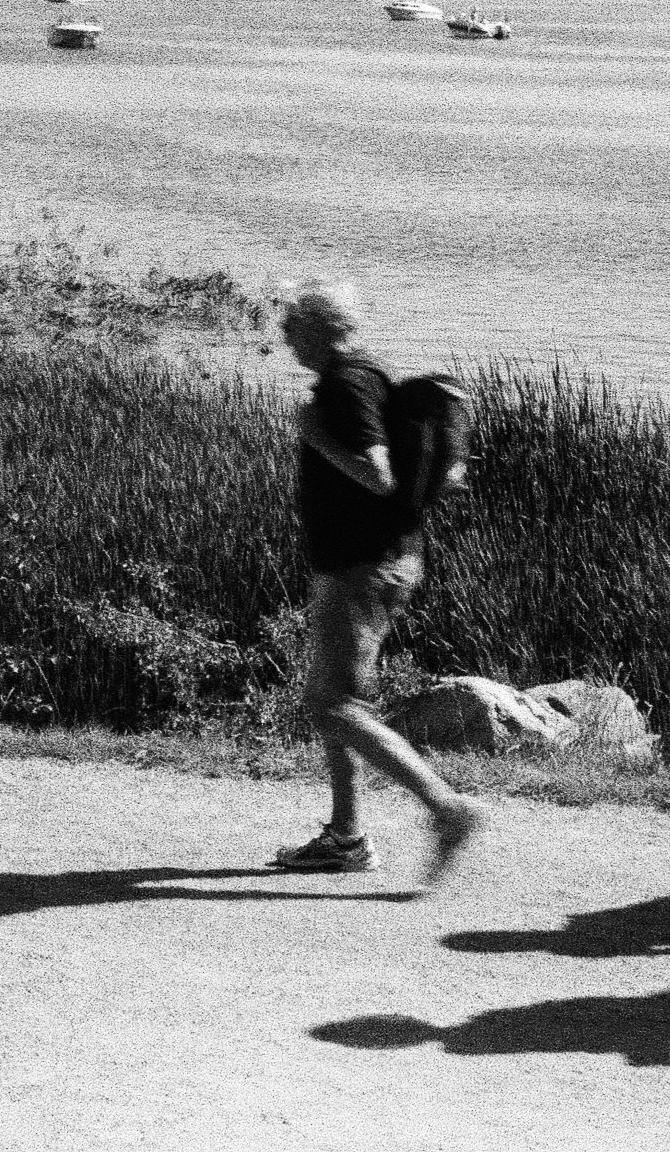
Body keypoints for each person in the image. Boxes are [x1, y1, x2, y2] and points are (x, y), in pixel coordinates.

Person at [265, 282, 483, 887]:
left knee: (333, 706)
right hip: (375, 561)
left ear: (320, 329)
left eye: (291, 326)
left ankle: (447, 809)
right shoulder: (369, 376)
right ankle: (345, 837)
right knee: (337, 701)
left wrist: (315, 437)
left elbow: (376, 474)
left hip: (362, 567)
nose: (285, 337)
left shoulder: (346, 386)